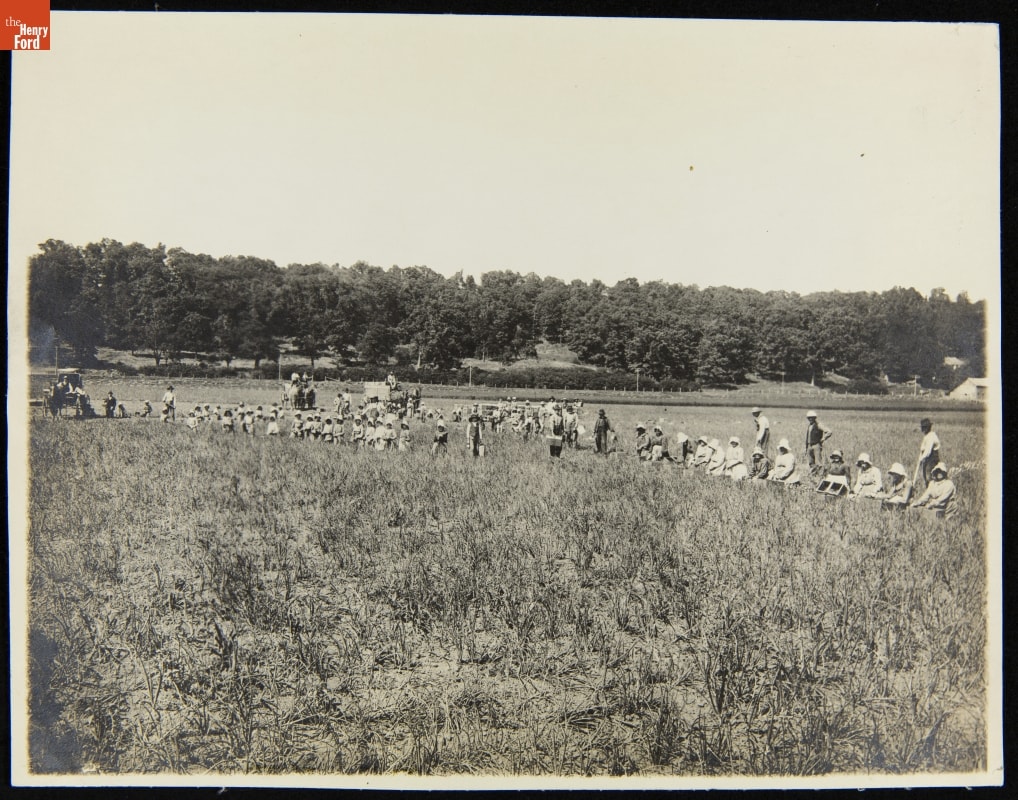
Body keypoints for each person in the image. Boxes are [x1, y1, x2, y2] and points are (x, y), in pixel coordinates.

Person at [915, 418, 942, 490]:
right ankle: (928, 492)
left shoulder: (931, 436)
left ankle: (931, 493)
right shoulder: (927, 436)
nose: (922, 429)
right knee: (926, 477)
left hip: (932, 459)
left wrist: (921, 459)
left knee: (929, 477)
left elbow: (928, 451)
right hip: (926, 459)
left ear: (928, 427)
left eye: (924, 427)